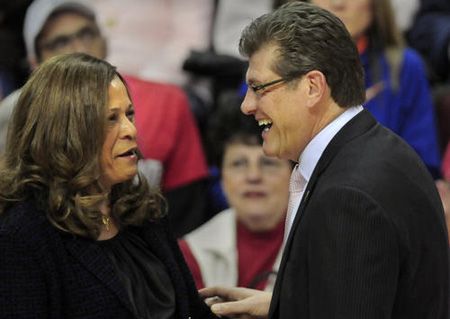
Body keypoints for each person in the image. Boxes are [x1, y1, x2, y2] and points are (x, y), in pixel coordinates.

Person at [199, 2, 449, 318]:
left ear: (313, 87)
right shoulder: (379, 149)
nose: (246, 106)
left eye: (258, 88)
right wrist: (281, 305)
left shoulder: (347, 198)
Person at [0, 52, 217, 319]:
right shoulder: (22, 237)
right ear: (67, 133)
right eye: (111, 119)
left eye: (129, 114)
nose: (131, 130)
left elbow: (191, 310)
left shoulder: (144, 210)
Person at [0, 0, 209, 237]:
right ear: (35, 64)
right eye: (60, 42)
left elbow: (188, 211)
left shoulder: (168, 102)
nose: (78, 47)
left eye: (87, 33)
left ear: (105, 40)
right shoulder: (14, 115)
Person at [179, 96, 291, 290]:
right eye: (238, 164)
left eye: (268, 163)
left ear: (295, 176)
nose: (253, 176)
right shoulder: (190, 254)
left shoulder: (325, 245)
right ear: (221, 178)